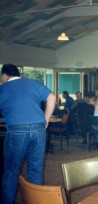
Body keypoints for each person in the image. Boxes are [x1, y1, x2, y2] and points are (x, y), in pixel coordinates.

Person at [0, 63, 56, 204]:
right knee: (36, 170)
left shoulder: (3, 89)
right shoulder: (33, 83)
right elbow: (52, 97)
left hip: (17, 130)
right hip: (38, 129)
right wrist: (46, 119)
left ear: (5, 76)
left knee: (11, 172)